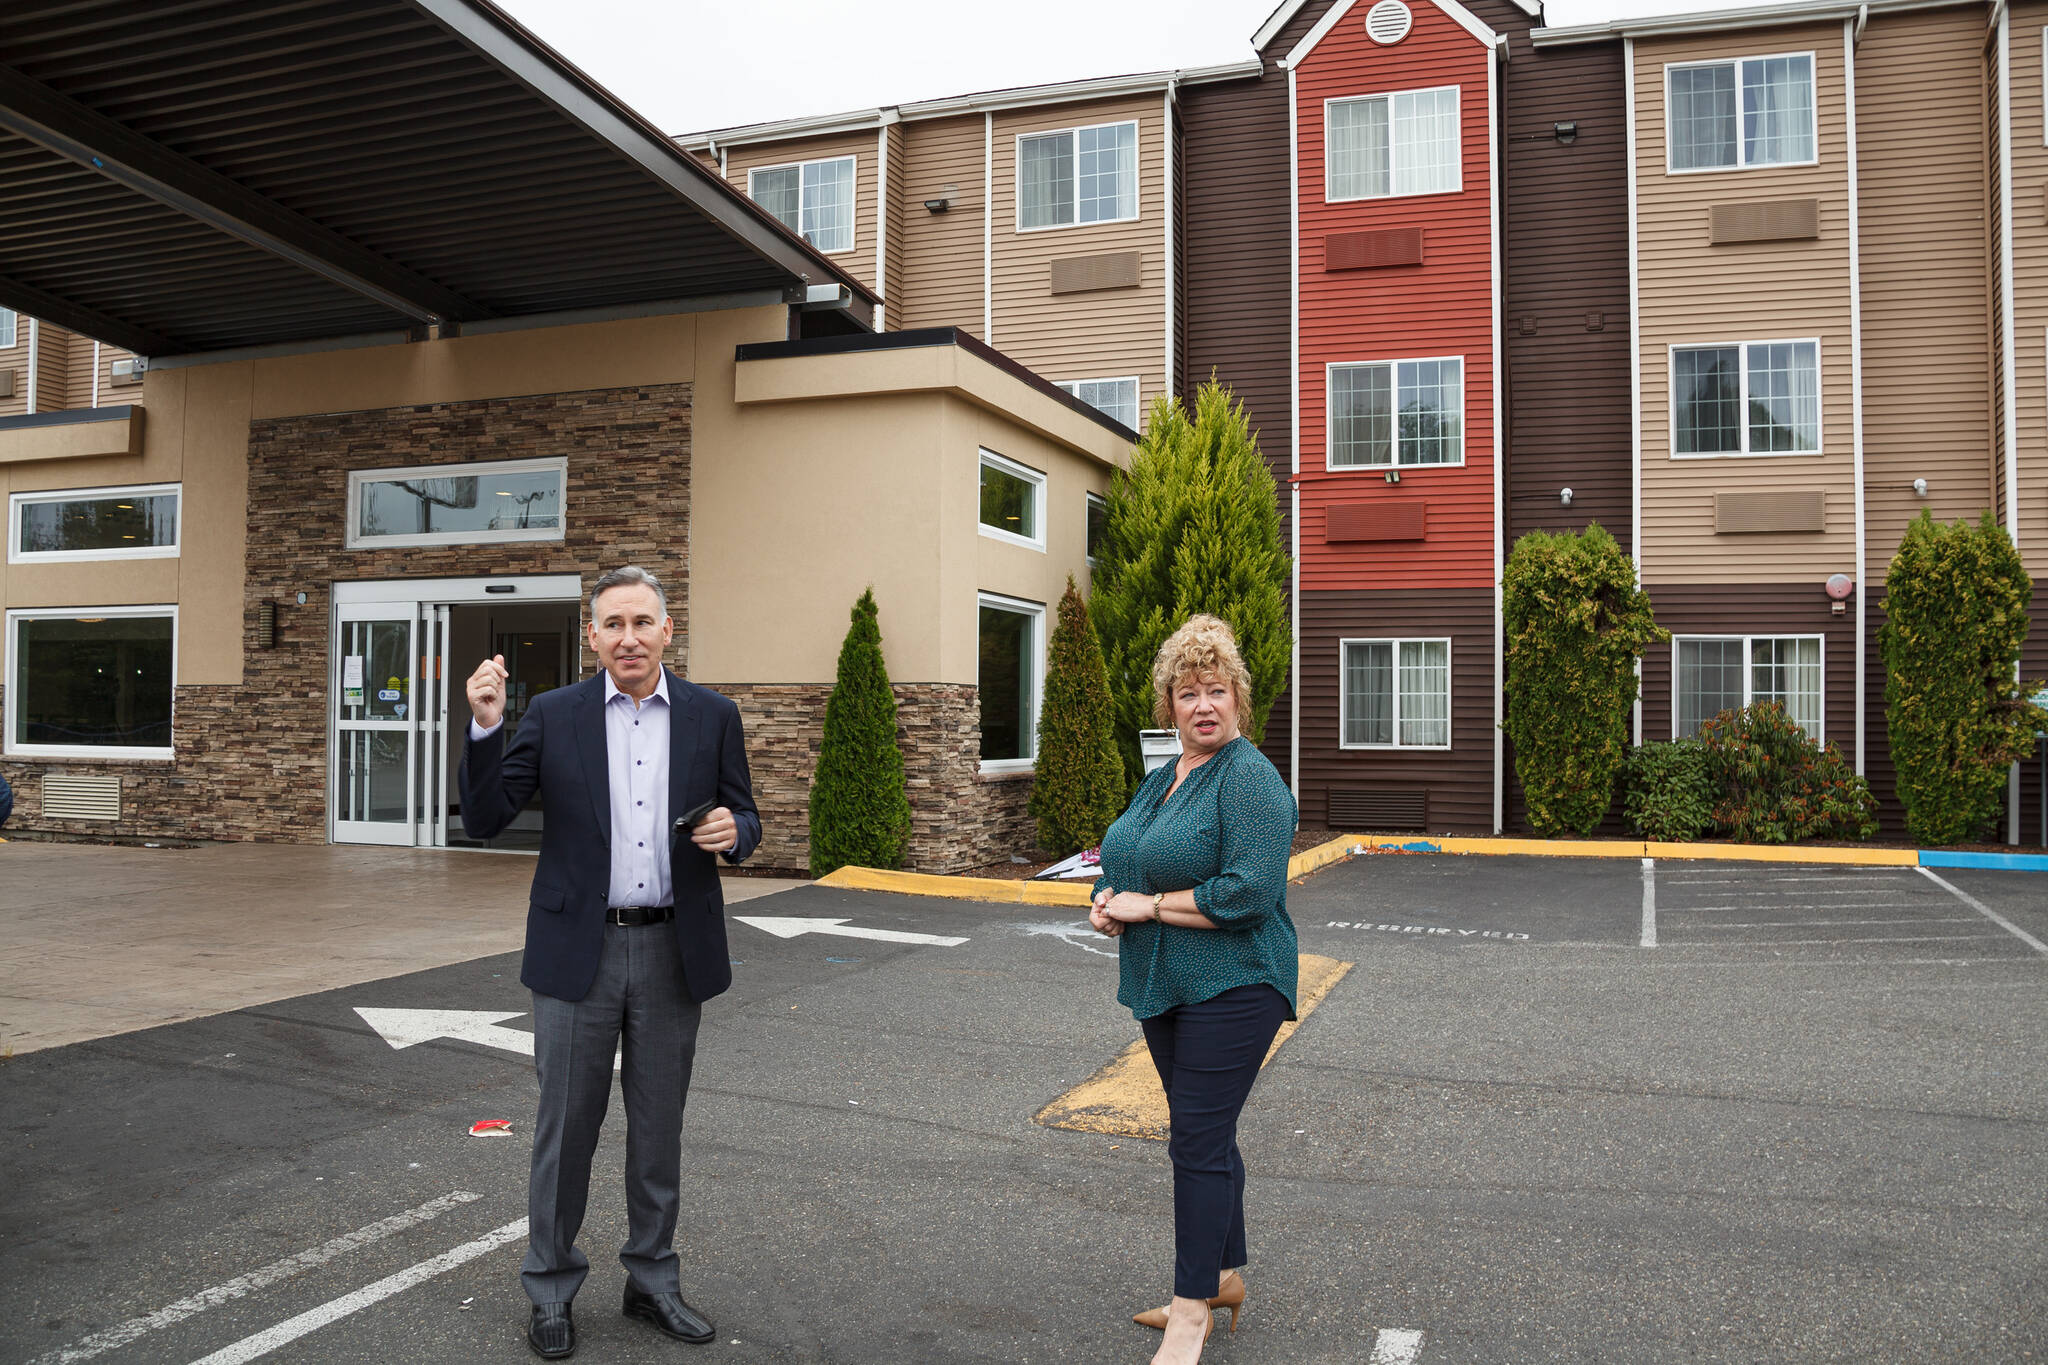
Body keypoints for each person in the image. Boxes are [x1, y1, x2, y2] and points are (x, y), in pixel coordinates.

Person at [462, 564, 760, 1360]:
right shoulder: (553, 715)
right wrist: (487, 726)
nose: (628, 637)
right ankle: (551, 1286)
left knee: (658, 1128)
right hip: (576, 953)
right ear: (591, 637)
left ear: (668, 629)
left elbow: (745, 810)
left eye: (642, 622)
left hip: (672, 947)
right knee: (566, 1129)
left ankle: (651, 1278)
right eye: (612, 624)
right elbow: (487, 818)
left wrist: (738, 831)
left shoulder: (713, 715)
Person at [1089, 614, 1298, 1365]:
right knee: (1204, 1131)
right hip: (1167, 981)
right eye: (1187, 692)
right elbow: (1130, 856)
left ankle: (1190, 1312)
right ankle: (1220, 1275)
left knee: (1196, 1140)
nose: (1203, 705)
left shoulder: (1251, 780)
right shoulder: (1163, 779)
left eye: (1216, 690)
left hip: (1238, 982)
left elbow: (1248, 891)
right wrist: (1111, 898)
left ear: (1238, 697)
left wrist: (1148, 906)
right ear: (1168, 706)